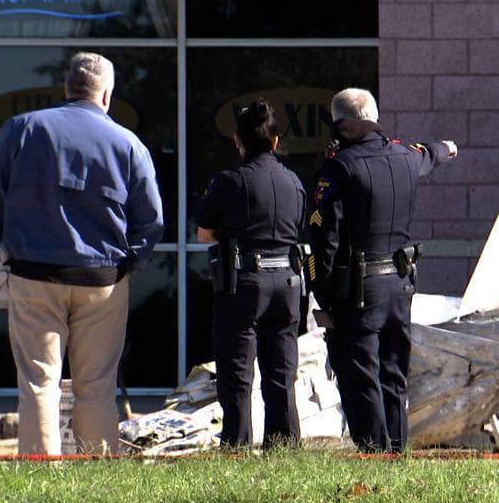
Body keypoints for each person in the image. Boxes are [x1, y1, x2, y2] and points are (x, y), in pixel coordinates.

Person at [0, 51, 164, 456]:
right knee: (96, 387)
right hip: (102, 281)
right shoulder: (128, 144)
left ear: (66, 88)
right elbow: (152, 220)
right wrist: (129, 264)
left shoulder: (21, 129)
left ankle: (42, 478)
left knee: (39, 384)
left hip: (34, 277)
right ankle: (95, 474)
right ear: (106, 95)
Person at [308, 87, 457, 453]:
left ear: (338, 122)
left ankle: (375, 458)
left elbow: (323, 238)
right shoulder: (406, 157)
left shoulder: (339, 168)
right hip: (401, 284)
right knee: (393, 374)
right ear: (374, 117)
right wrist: (449, 148)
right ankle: (397, 453)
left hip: (356, 291)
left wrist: (322, 292)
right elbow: (432, 153)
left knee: (361, 375)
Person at [195, 99, 306, 448]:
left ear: (237, 141)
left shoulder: (229, 181)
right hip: (287, 283)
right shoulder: (294, 182)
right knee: (281, 374)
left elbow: (204, 232)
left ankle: (237, 447)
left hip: (244, 283)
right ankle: (284, 449)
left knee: (238, 374)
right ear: (274, 141)